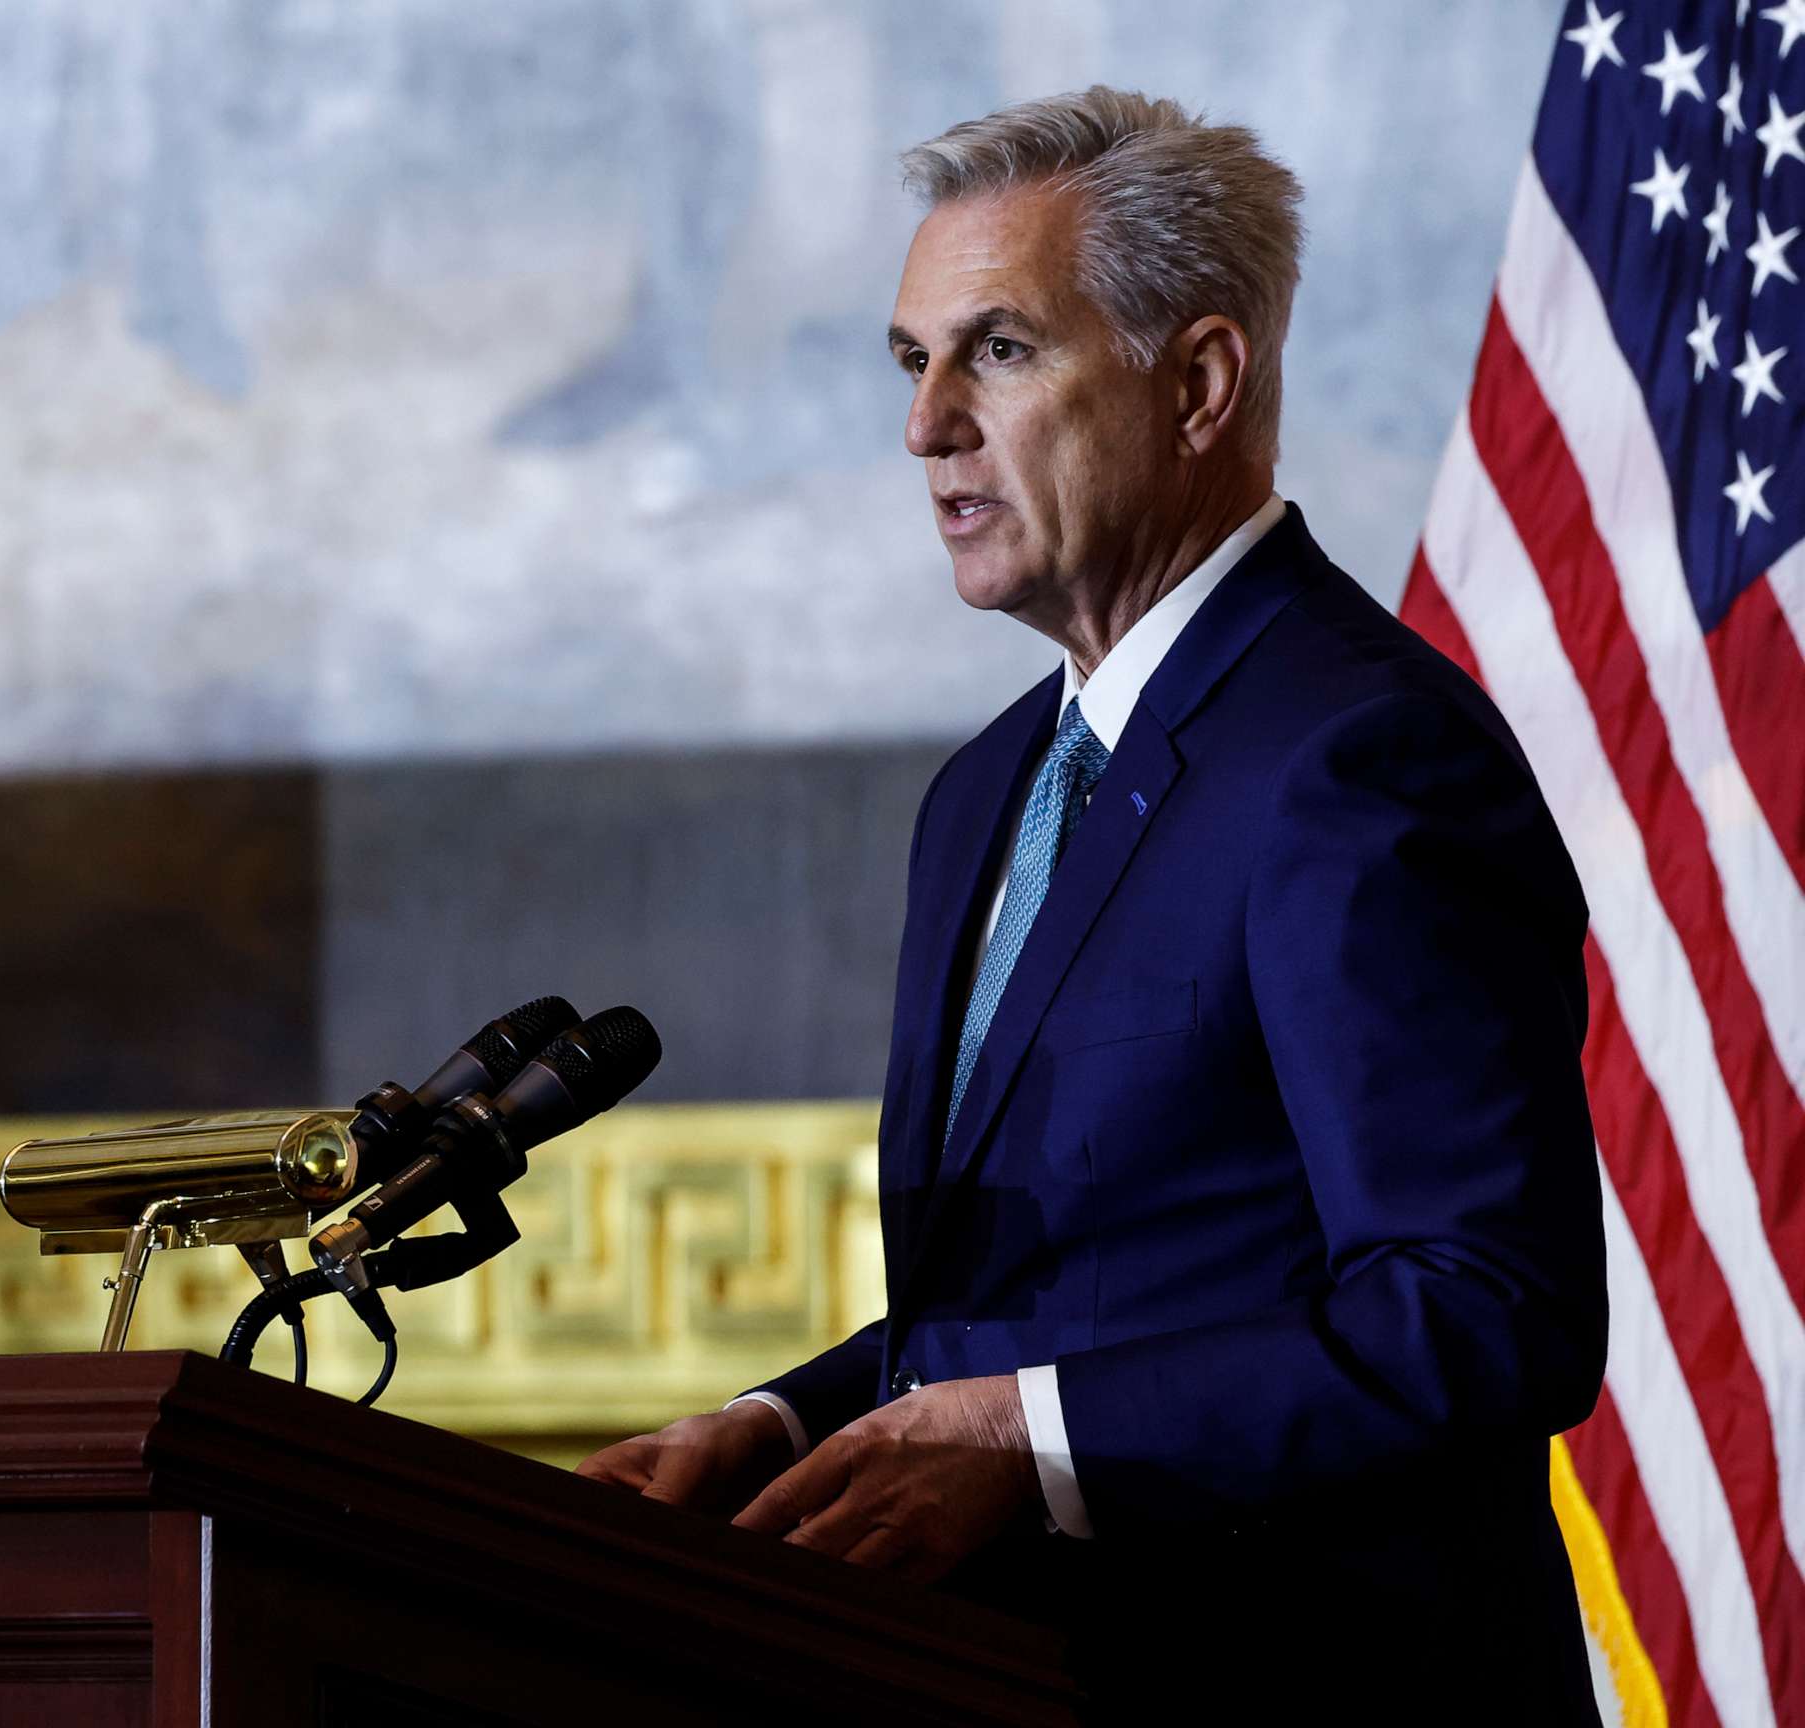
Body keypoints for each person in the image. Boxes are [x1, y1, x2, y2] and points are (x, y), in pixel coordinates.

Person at [578, 88, 1607, 1719]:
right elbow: (1060, 1311)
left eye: (997, 350)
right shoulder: (987, 789)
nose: (927, 429)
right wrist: (781, 1428)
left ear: (1196, 384)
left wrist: (1023, 1445)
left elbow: (1484, 1311)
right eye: (912, 362)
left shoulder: (1363, 755)